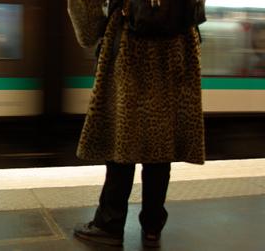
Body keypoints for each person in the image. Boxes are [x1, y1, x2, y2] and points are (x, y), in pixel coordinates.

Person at [68, 0, 206, 247]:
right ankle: (153, 226)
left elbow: (86, 15)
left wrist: (94, 30)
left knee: (123, 139)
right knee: (160, 141)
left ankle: (109, 224)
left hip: (128, 48)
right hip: (177, 50)